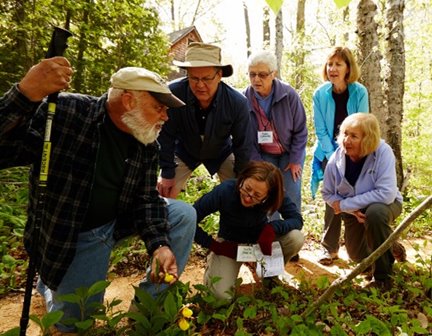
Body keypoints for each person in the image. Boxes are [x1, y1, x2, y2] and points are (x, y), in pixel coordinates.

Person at [0, 57, 196, 332]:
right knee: (76, 325)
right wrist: (25, 95)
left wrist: (159, 244)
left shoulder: (146, 139)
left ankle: (149, 310)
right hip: (74, 235)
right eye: (158, 107)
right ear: (128, 100)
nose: (165, 116)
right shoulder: (67, 112)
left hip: (117, 219)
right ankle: (49, 285)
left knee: (183, 214)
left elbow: (146, 200)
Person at [194, 161, 304, 301]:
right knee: (220, 297)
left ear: (267, 196)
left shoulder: (276, 195)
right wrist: (214, 245)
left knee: (296, 238)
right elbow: (191, 218)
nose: (248, 197)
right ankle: (216, 265)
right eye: (246, 188)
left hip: (259, 244)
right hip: (229, 245)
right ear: (243, 179)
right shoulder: (225, 190)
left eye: (257, 196)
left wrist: (272, 228)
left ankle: (269, 275)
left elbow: (296, 219)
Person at [157, 42, 252, 198]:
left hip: (222, 151)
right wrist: (166, 172)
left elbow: (243, 144)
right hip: (184, 150)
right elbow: (165, 136)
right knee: (163, 194)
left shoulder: (237, 102)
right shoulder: (173, 94)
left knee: (240, 194)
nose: (200, 85)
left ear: (219, 75)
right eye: (194, 78)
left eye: (207, 78)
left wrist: (242, 176)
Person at [322, 113, 403, 289]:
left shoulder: (383, 152)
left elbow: (387, 193)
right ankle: (387, 243)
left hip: (385, 206)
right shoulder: (336, 159)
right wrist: (352, 211)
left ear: (368, 138)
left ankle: (383, 279)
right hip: (353, 210)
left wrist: (345, 205)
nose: (346, 140)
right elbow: (327, 193)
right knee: (357, 256)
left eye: (353, 136)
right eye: (345, 134)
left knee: (375, 214)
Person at [310, 46, 369, 265]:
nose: (333, 68)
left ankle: (364, 246)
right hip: (329, 151)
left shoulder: (359, 92)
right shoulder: (320, 93)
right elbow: (321, 130)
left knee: (359, 196)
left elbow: (363, 125)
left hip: (357, 151)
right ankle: (329, 248)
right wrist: (334, 157)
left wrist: (351, 152)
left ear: (348, 68)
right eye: (330, 64)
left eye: (338, 64)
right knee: (332, 198)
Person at [244, 50, 307, 212]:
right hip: (263, 154)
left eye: (262, 75)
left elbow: (300, 130)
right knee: (266, 194)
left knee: (291, 193)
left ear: (274, 74)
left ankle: (292, 233)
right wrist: (257, 162)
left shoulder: (288, 94)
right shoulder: (244, 98)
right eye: (252, 74)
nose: (256, 79)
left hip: (289, 152)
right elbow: (245, 136)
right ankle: (272, 234)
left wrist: (295, 160)